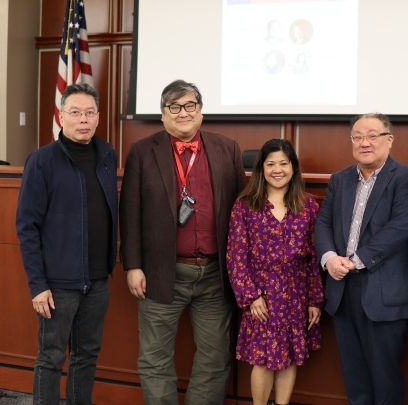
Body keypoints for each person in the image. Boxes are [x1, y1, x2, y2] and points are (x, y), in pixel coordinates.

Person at [119, 79, 247, 405]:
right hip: (162, 273)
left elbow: (240, 213)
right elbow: (129, 213)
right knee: (155, 358)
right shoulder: (143, 151)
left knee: (215, 359)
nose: (183, 112)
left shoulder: (227, 148)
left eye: (190, 105)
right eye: (174, 107)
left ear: (201, 112)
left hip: (216, 276)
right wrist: (132, 266)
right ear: (163, 115)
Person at [16, 83, 118, 405]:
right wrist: (37, 285)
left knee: (86, 356)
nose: (83, 119)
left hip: (98, 281)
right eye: (75, 112)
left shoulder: (107, 155)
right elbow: (27, 227)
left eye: (89, 112)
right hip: (57, 286)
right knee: (51, 357)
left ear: (98, 117)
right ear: (62, 117)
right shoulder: (42, 161)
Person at [314, 112, 408, 405]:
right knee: (355, 375)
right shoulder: (339, 179)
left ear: (389, 140)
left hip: (383, 293)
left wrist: (355, 260)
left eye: (372, 135)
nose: (365, 142)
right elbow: (323, 223)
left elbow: (400, 227)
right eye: (358, 137)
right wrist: (329, 258)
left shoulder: (407, 179)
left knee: (384, 376)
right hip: (341, 289)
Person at [227, 139, 324, 405]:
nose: (277, 169)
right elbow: (236, 257)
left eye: (284, 163)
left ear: (293, 167)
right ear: (261, 168)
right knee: (262, 360)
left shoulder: (308, 206)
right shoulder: (245, 205)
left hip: (296, 294)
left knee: (289, 357)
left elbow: (315, 257)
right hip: (262, 298)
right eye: (271, 164)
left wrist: (315, 300)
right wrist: (251, 297)